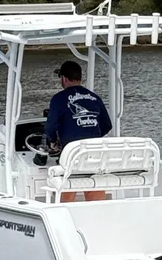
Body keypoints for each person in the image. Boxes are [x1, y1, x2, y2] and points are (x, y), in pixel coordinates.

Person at [44, 60, 112, 202]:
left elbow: (50, 129)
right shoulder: (95, 98)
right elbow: (107, 125)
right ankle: (99, 214)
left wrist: (53, 142)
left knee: (67, 178)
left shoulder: (58, 99)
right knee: (95, 179)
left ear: (63, 78)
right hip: (94, 156)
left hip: (72, 157)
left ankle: (65, 210)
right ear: (79, 78)